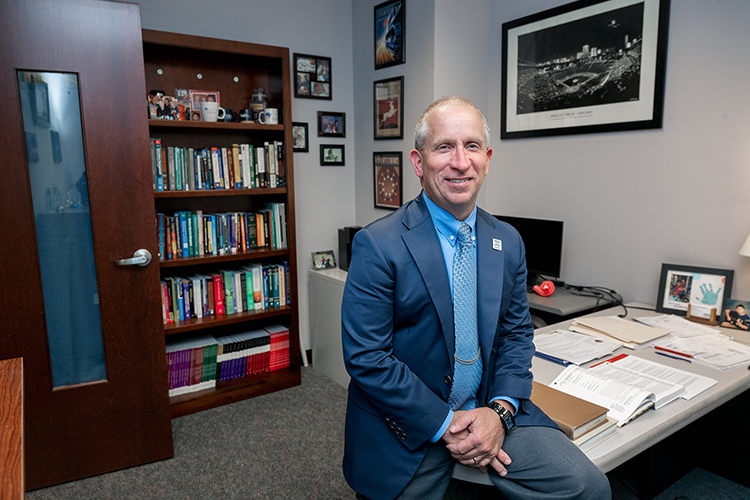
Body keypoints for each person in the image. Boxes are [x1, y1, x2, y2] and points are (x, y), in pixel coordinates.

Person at [341, 96, 610, 500]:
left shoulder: (508, 240)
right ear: (418, 162)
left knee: (587, 487)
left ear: (487, 159)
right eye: (444, 147)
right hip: (409, 419)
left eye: (471, 147)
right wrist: (448, 424)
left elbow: (517, 335)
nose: (460, 162)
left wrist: (500, 412)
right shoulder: (379, 245)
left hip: (488, 407)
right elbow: (368, 357)